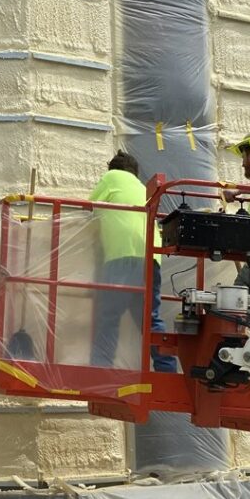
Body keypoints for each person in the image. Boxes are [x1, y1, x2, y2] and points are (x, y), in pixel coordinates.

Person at [89, 151, 177, 372]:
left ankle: (101, 370)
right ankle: (167, 370)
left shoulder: (112, 178)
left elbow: (88, 210)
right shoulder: (142, 189)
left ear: (113, 169)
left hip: (122, 255)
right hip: (150, 258)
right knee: (150, 319)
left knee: (108, 315)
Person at [225, 133, 250, 293]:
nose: (243, 164)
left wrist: (237, 190)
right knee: (235, 305)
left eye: (244, 156)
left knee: (233, 306)